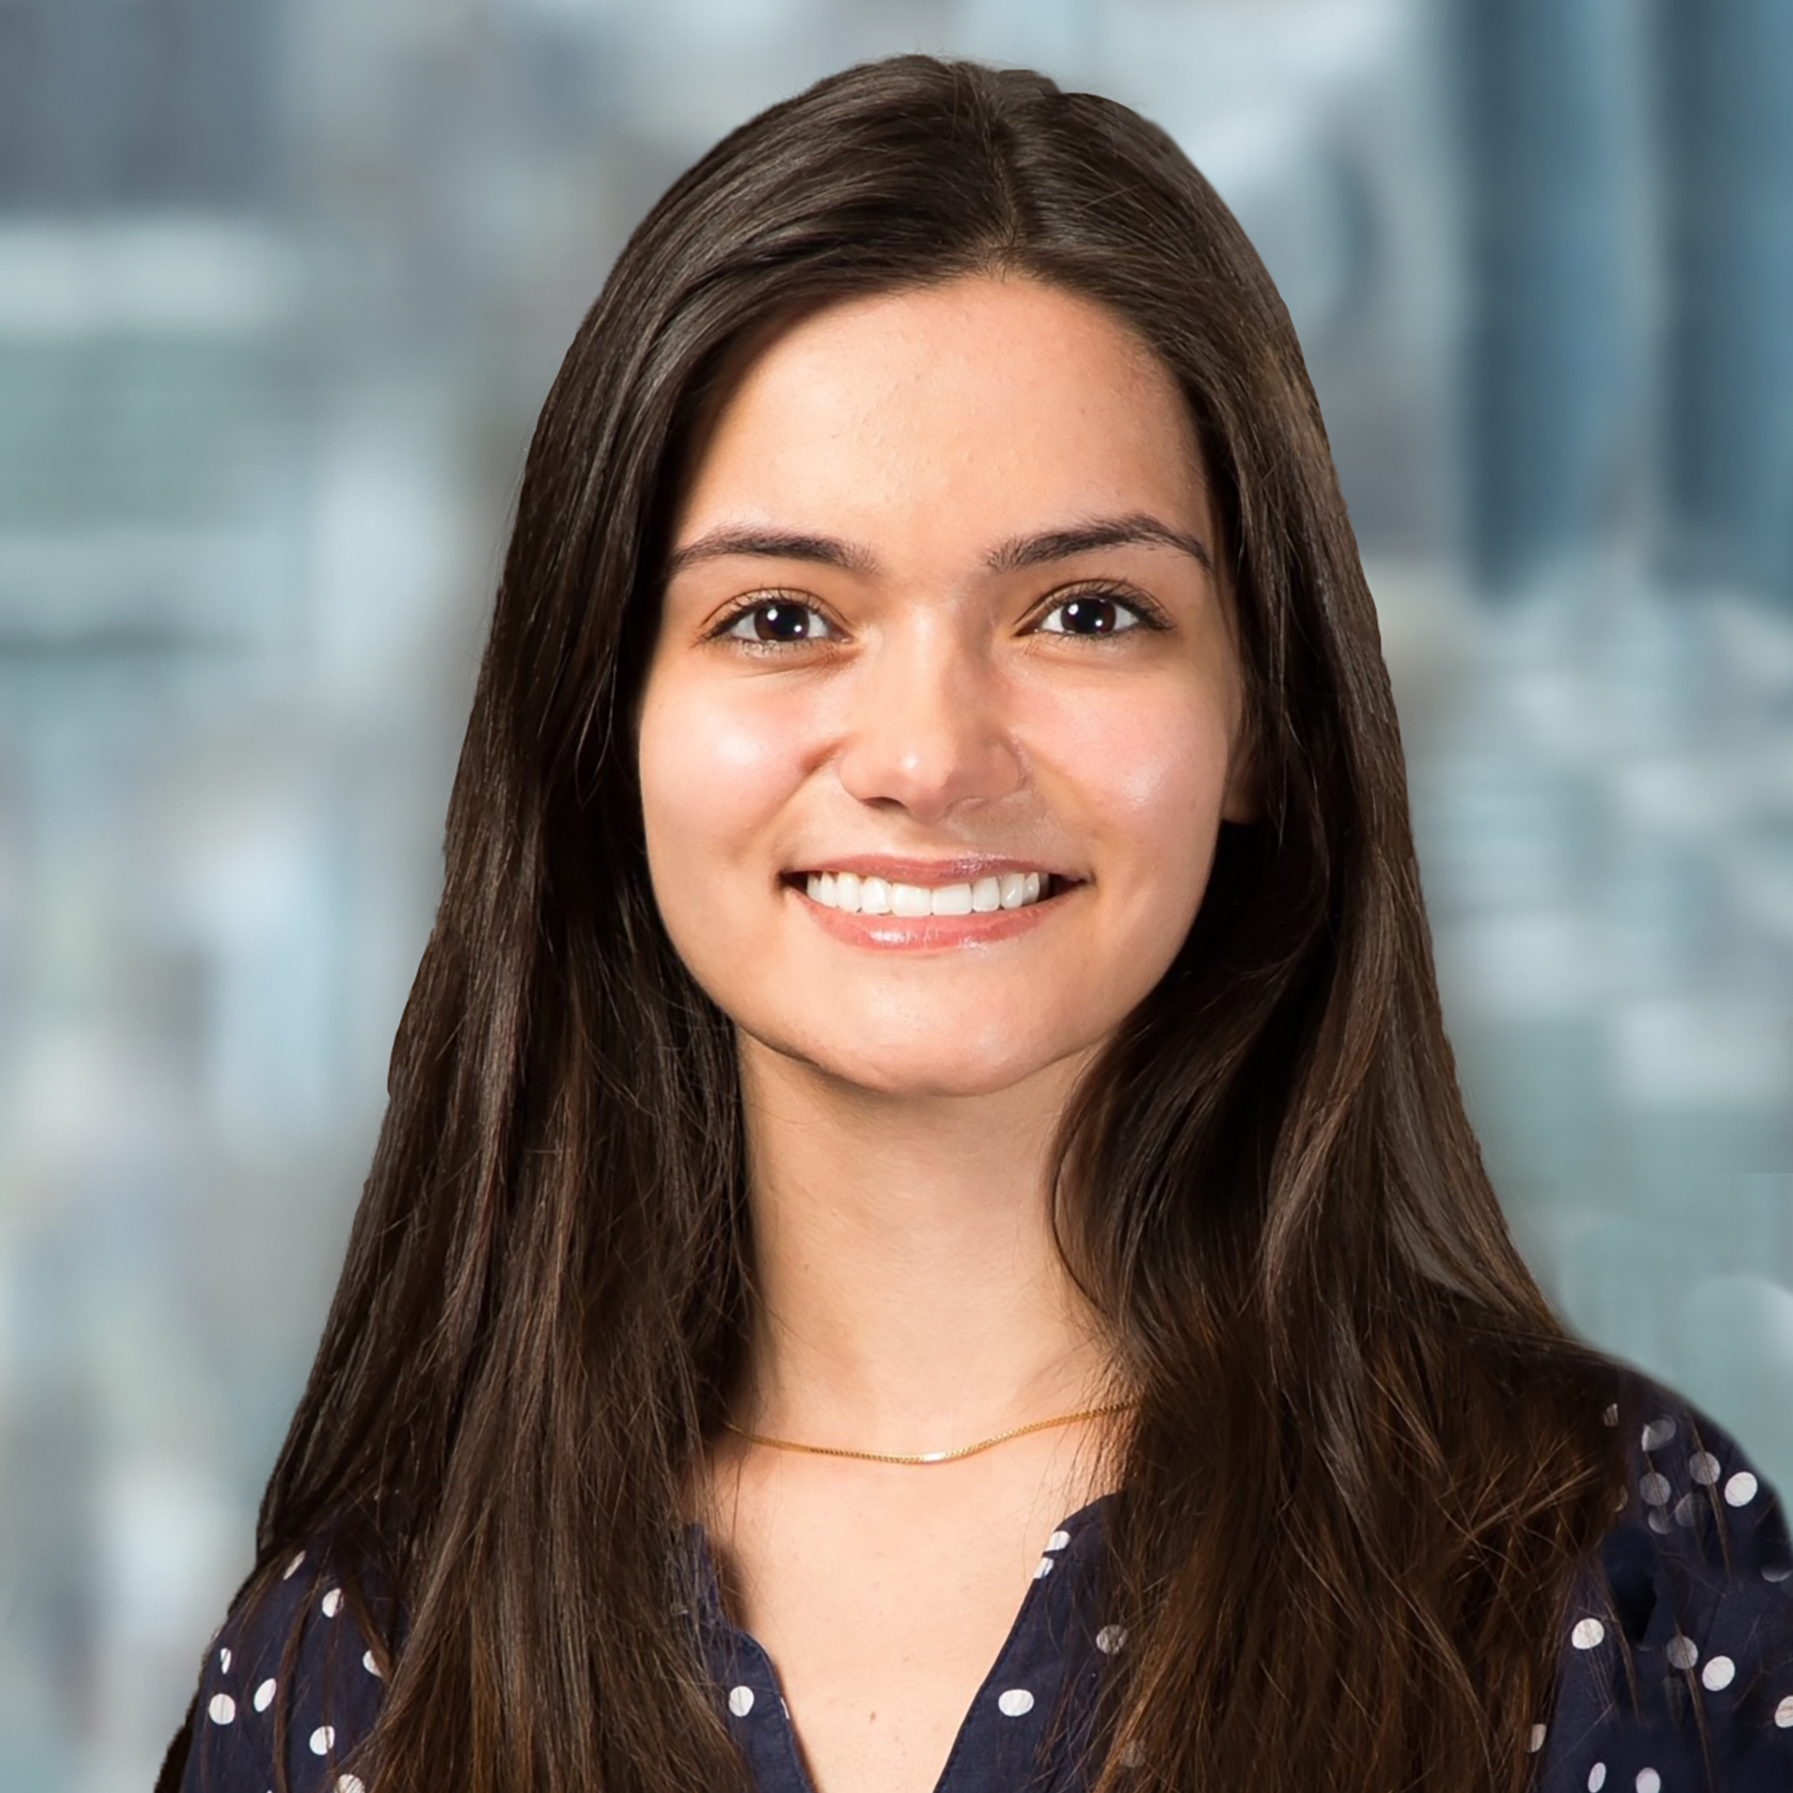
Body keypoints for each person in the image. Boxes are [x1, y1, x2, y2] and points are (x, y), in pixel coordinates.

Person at [159, 53, 1793, 1793]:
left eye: (1085, 610)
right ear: (604, 721)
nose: (931, 756)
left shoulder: (1602, 1571)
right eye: (782, 616)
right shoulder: (357, 1663)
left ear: (1262, 721)